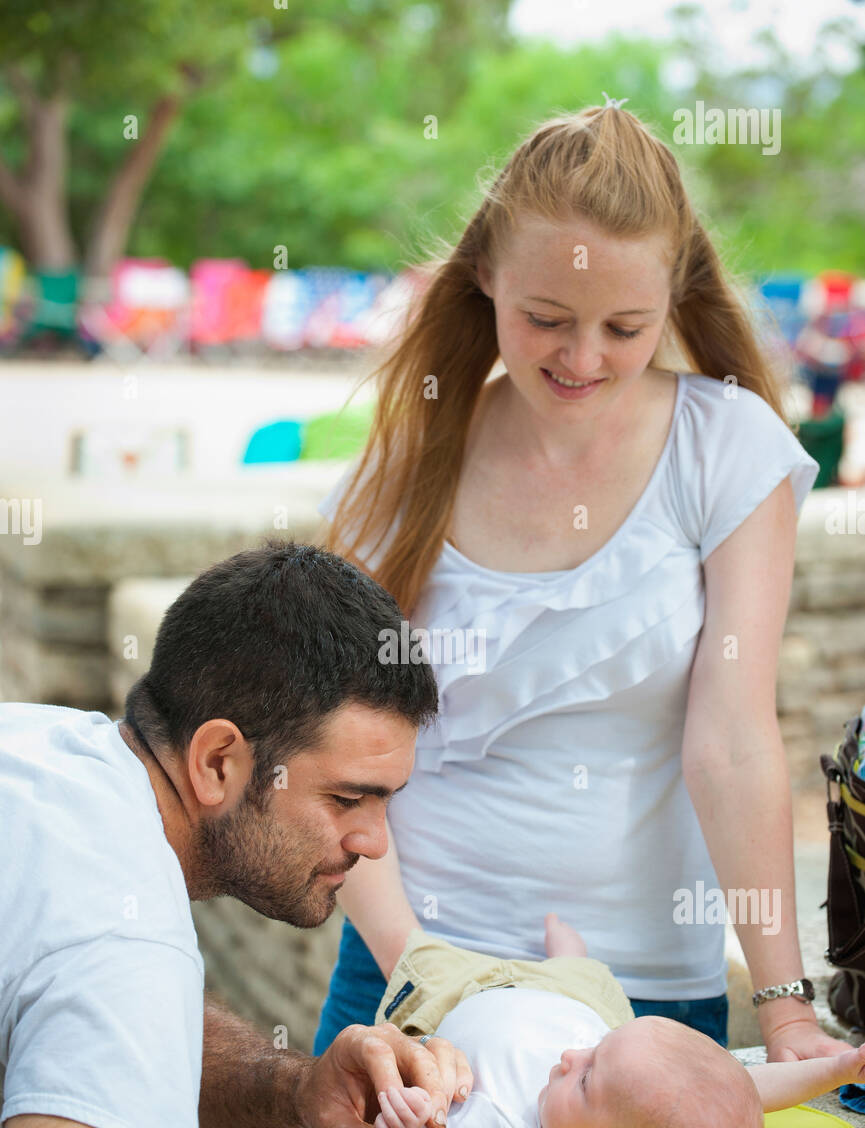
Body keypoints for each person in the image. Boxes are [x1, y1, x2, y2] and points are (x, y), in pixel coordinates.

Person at [0, 541, 720, 1128]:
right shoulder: (119, 928)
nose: (374, 842)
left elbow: (103, 1045)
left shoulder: (46, 752)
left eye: (386, 802)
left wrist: (297, 1090)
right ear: (219, 762)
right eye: (346, 800)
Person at [316, 99, 849, 1067]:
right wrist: (428, 976)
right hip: (406, 976)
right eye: (546, 319)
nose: (582, 357)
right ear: (485, 276)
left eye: (625, 326)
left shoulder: (726, 450)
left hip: (643, 996)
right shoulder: (407, 459)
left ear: (673, 298)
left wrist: (783, 1010)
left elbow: (731, 740)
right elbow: (331, 740)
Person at [369, 917, 865, 1128]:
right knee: (590, 984)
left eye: (585, 1082)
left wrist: (407, 1125)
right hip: (572, 999)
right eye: (592, 1055)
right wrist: (837, 1069)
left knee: (427, 962)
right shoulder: (612, 1069)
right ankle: (571, 958)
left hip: (466, 995)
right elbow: (746, 1087)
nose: (569, 1059)